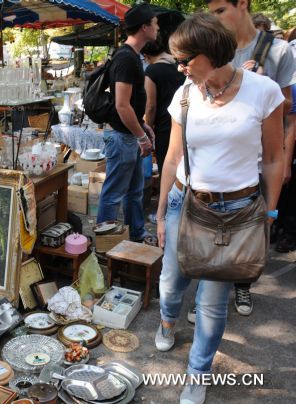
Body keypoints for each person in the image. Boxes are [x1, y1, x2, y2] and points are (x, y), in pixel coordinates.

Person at [154, 13, 284, 404]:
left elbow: (275, 159)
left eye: (185, 60)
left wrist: (270, 212)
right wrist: (160, 214)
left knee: (211, 301)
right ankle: (167, 321)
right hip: (185, 200)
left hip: (238, 210)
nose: (179, 67)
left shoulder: (264, 91)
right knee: (172, 279)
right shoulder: (185, 94)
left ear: (210, 54)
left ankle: (198, 372)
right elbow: (173, 157)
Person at [205, 0, 295, 317]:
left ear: (241, 4)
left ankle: (243, 288)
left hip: (257, 162)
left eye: (219, 11)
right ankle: (208, 298)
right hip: (218, 158)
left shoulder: (279, 51)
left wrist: (254, 84)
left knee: (249, 235)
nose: (214, 18)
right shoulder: (215, 48)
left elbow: (288, 111)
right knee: (211, 234)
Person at [95, 3, 158, 242]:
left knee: (134, 192)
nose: (158, 29)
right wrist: (141, 136)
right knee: (113, 195)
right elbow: (122, 104)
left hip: (127, 136)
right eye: (155, 24)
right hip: (122, 138)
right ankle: (105, 247)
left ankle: (136, 237)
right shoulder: (126, 58)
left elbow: (129, 103)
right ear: (144, 27)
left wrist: (142, 126)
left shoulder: (132, 56)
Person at [142, 38, 185, 193]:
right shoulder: (180, 65)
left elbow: (151, 106)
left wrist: (149, 128)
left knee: (166, 167)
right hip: (183, 123)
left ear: (146, 56)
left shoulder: (152, 70)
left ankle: (166, 210)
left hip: (164, 127)